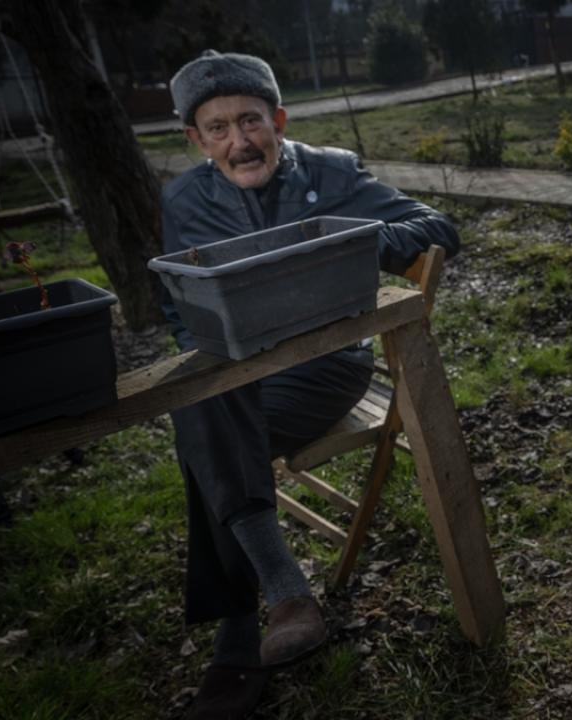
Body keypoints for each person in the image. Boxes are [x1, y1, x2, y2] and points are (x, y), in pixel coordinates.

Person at [161, 50, 459, 719]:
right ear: (196, 140)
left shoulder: (331, 172)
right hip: (238, 377)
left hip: (327, 370)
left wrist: (350, 239)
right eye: (219, 129)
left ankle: (237, 635)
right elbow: (177, 308)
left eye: (251, 121)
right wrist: (208, 357)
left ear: (278, 119)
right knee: (204, 401)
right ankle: (283, 591)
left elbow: (440, 229)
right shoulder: (182, 201)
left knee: (202, 430)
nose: (240, 142)